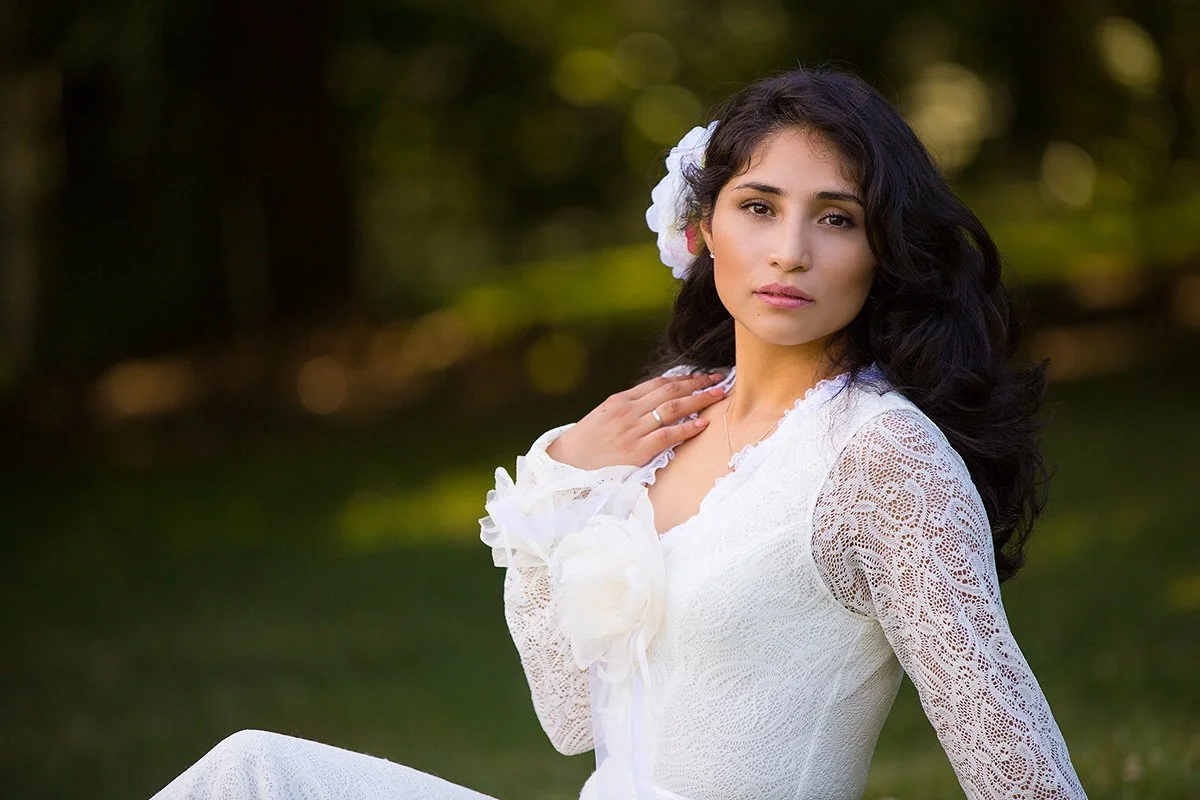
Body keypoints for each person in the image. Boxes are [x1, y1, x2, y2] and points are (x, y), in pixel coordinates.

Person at [152, 66, 1087, 800]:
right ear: (706, 229)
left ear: (883, 252)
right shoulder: (666, 425)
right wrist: (562, 481)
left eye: (835, 219)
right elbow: (571, 718)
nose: (790, 250)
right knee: (252, 777)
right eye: (759, 207)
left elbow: (1019, 767)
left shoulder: (883, 458)